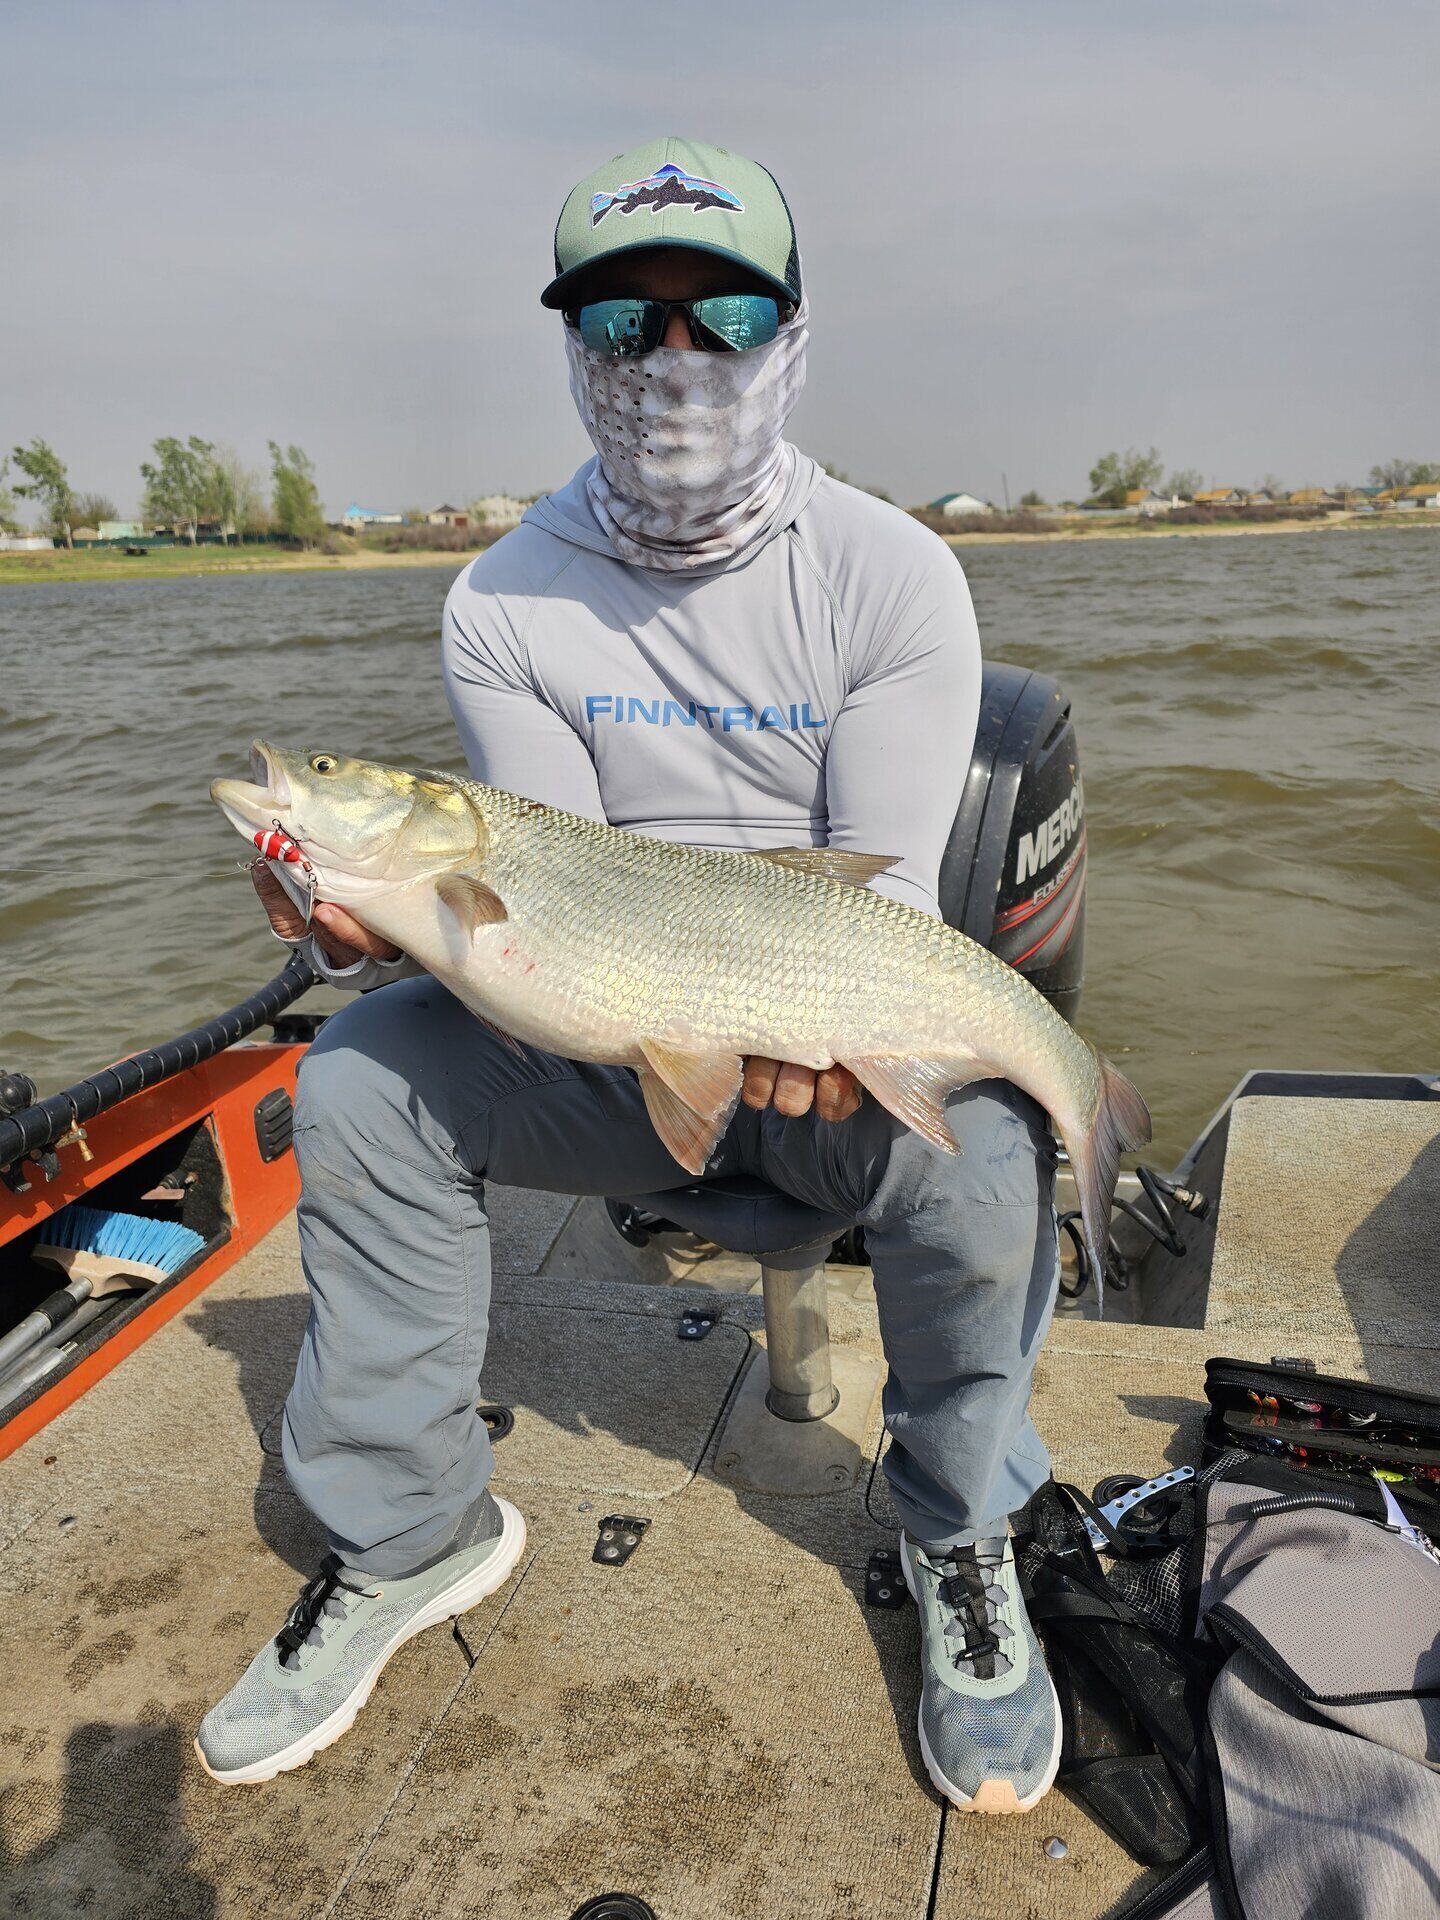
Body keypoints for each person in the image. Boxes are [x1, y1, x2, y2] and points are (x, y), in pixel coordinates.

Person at [197, 137, 1063, 1815]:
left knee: (1003, 1157)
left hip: (818, 1042)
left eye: (720, 310)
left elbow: (865, 894)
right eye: (620, 320)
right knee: (363, 1075)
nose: (673, 358)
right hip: (608, 1029)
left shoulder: (894, 576)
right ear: (572, 347)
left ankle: (961, 1535)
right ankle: (412, 1533)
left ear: (789, 335)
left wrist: (831, 1035)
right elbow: (561, 905)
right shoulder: (505, 596)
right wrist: (369, 921)